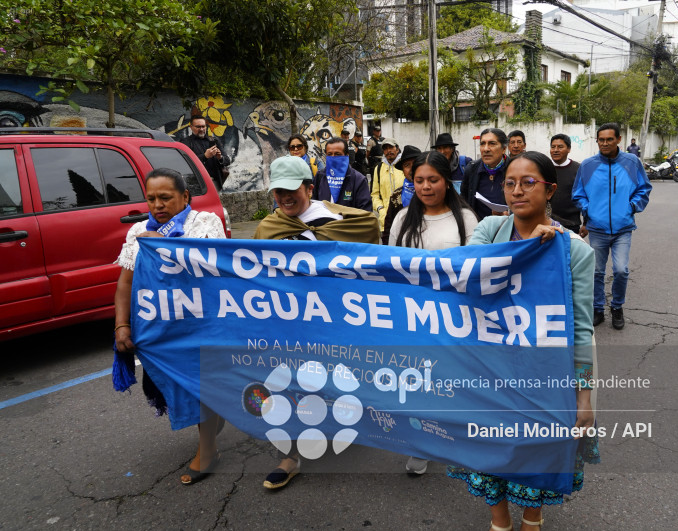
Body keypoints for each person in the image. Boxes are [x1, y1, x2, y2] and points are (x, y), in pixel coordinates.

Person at [450, 151, 598, 531]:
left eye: (529, 182)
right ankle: (499, 522)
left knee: (538, 449)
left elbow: (580, 329)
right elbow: (464, 276)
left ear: (550, 190)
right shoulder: (489, 232)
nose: (517, 191)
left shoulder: (575, 251)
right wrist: (525, 251)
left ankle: (532, 518)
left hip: (544, 373)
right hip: (488, 367)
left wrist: (583, 398)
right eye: (510, 183)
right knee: (487, 447)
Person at [253, 156, 379, 488]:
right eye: (278, 192)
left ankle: (345, 422)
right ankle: (290, 456)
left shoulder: (337, 221)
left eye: (291, 190)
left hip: (333, 318)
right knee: (286, 383)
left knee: (335, 376)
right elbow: (251, 271)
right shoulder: (270, 228)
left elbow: (369, 231)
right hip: (288, 322)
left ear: (310, 187)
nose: (284, 198)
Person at [113, 168, 226, 486]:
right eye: (151, 199)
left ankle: (208, 451)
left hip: (203, 324)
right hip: (162, 330)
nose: (157, 205)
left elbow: (210, 261)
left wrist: (161, 243)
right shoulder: (137, 232)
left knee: (200, 383)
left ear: (185, 197)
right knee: (179, 385)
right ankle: (211, 424)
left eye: (165, 197)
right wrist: (122, 325)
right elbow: (125, 283)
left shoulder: (204, 222)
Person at [389, 150, 478, 475]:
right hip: (412, 319)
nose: (425, 187)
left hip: (453, 318)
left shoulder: (465, 219)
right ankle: (420, 443)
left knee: (449, 381)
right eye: (419, 180)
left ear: (448, 182)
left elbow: (476, 269)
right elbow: (389, 269)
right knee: (416, 382)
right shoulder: (402, 219)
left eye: (433, 180)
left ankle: (450, 438)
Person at [572, 123, 652, 330]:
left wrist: (631, 207)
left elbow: (644, 188)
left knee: (621, 270)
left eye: (609, 139)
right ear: (597, 141)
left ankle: (617, 307)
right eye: (601, 140)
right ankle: (598, 308)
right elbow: (578, 193)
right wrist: (588, 210)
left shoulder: (631, 162)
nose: (605, 143)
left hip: (622, 229)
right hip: (597, 229)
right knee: (597, 272)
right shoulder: (588, 165)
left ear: (618, 139)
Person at [460, 128, 509, 221]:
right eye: (483, 144)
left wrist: (510, 216)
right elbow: (464, 200)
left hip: (509, 228)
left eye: (492, 143)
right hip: (479, 229)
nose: (486, 149)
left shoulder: (514, 168)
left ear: (504, 149)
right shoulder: (471, 169)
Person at [311, 136, 372, 211]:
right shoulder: (320, 176)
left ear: (346, 155)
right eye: (329, 154)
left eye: (337, 154)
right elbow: (313, 205)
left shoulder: (358, 180)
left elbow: (365, 212)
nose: (333, 158)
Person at [380, 144, 422, 244]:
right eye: (407, 165)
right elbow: (388, 229)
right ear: (403, 171)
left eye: (415, 163)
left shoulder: (432, 191)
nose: (412, 169)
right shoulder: (396, 196)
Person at [180, 115, 231, 191]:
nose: (201, 129)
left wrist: (220, 157)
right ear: (191, 127)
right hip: (197, 185)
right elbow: (185, 163)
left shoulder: (214, 140)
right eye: (198, 127)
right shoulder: (185, 143)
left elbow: (227, 161)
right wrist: (205, 156)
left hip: (215, 183)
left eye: (203, 126)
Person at [549, 133, 584, 235]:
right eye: (553, 147)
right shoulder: (543, 167)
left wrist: (587, 223)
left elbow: (586, 196)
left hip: (571, 224)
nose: (556, 150)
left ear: (569, 149)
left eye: (560, 147)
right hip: (547, 222)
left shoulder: (578, 169)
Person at [371, 138, 405, 230]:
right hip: (385, 221)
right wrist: (381, 210)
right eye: (385, 148)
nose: (388, 151)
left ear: (397, 149)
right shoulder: (378, 168)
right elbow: (374, 194)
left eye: (391, 147)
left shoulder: (405, 165)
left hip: (405, 218)